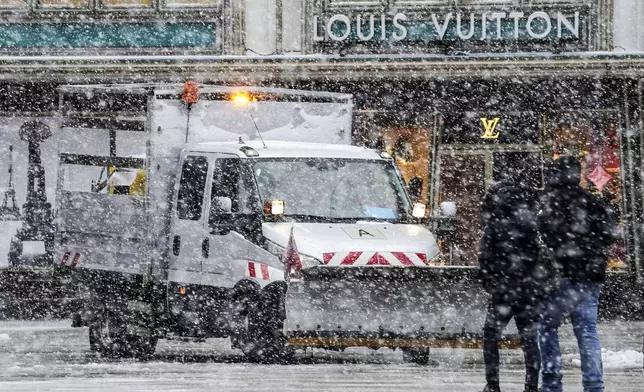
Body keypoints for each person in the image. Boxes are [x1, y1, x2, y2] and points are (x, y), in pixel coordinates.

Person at [537, 156, 617, 392]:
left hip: (560, 276)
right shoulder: (591, 202)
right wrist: (590, 249)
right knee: (587, 332)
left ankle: (552, 383)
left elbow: (542, 237)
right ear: (576, 175)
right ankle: (594, 385)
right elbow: (609, 234)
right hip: (589, 276)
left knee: (547, 327)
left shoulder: (550, 203)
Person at [478, 171, 545, 392]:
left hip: (503, 291)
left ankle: (493, 384)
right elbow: (538, 256)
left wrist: (490, 282)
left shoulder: (494, 226)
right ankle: (531, 386)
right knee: (529, 340)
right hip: (526, 290)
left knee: (491, 337)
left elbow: (485, 258)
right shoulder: (530, 224)